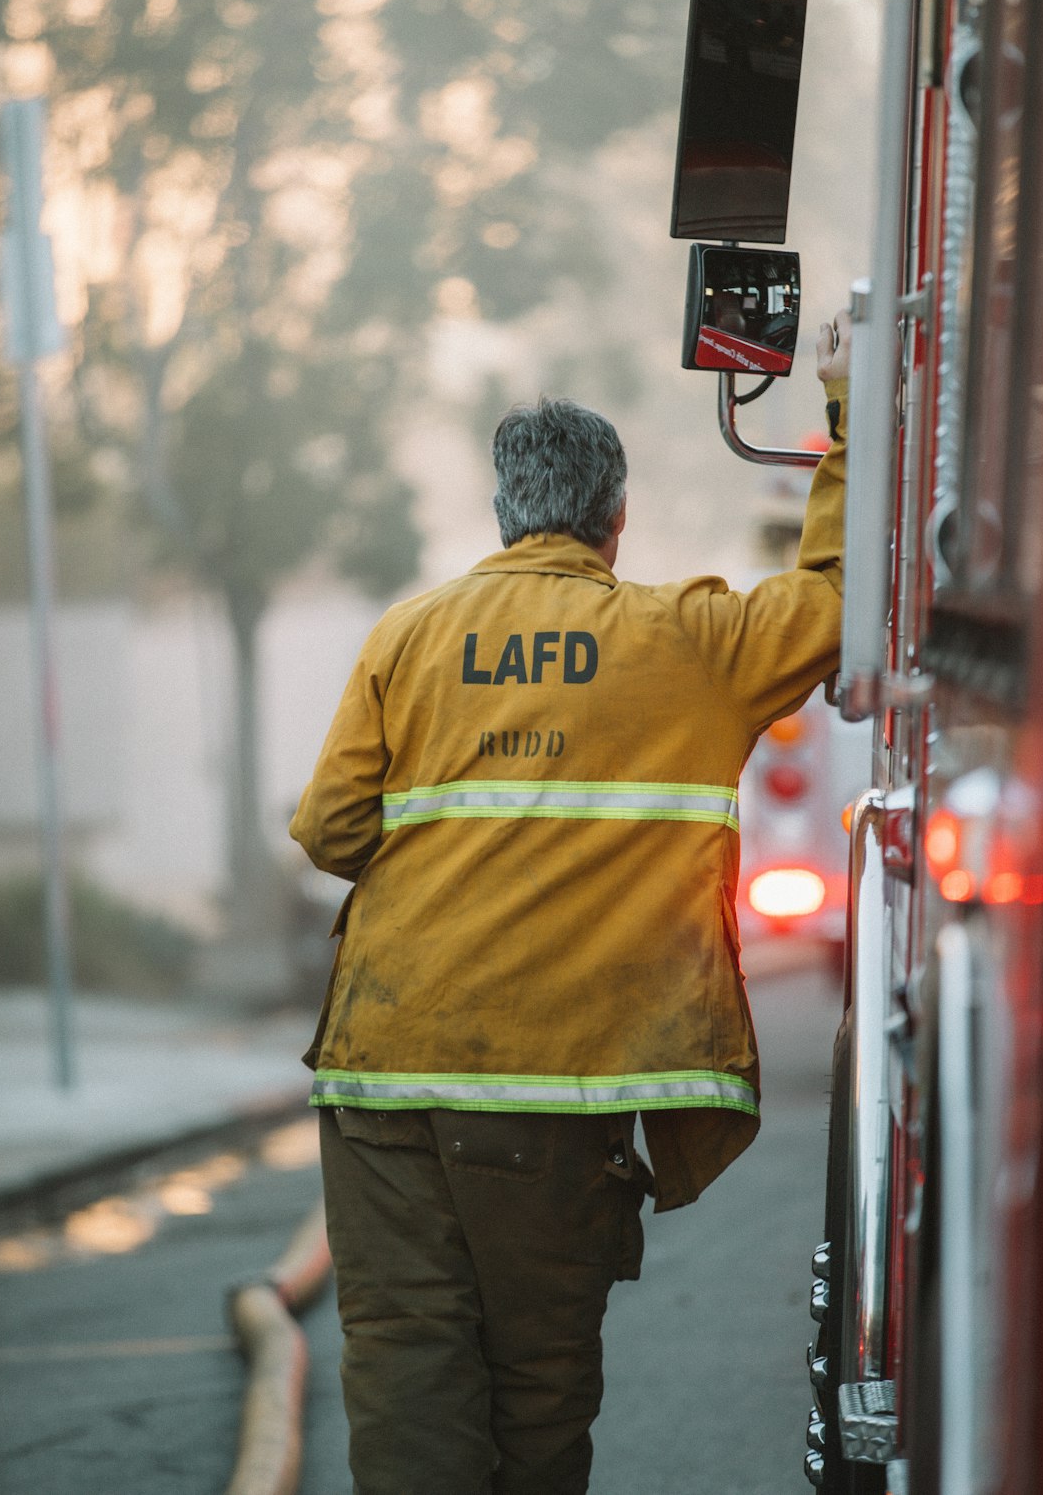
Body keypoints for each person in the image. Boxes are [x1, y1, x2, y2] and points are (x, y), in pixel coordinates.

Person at [290, 312, 851, 1495]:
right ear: (616, 518)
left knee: (403, 1375)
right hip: (550, 1098)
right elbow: (837, 595)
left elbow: (331, 830)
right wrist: (850, 415)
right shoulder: (687, 640)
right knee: (538, 1394)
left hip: (380, 1080)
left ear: (504, 510)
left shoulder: (412, 636)